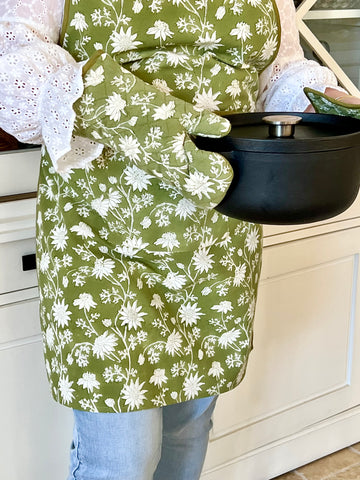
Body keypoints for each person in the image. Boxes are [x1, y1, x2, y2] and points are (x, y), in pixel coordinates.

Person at [1, 1, 360, 479]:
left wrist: (322, 96)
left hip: (215, 233)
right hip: (102, 234)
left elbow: (279, 72)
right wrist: (125, 109)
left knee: (187, 429)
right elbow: (12, 57)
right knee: (122, 460)